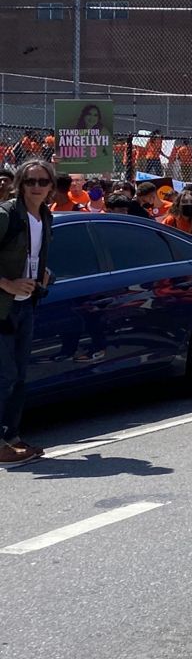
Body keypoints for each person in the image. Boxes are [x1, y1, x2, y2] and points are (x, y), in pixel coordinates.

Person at [0, 159, 55, 464]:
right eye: (30, 181)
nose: (36, 187)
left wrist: (46, 276)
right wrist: (7, 284)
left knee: (20, 375)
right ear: (19, 184)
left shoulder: (45, 217)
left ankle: (11, 437)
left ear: (50, 187)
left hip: (26, 305)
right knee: (4, 375)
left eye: (42, 181)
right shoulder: (6, 215)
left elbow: (36, 257)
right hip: (3, 305)